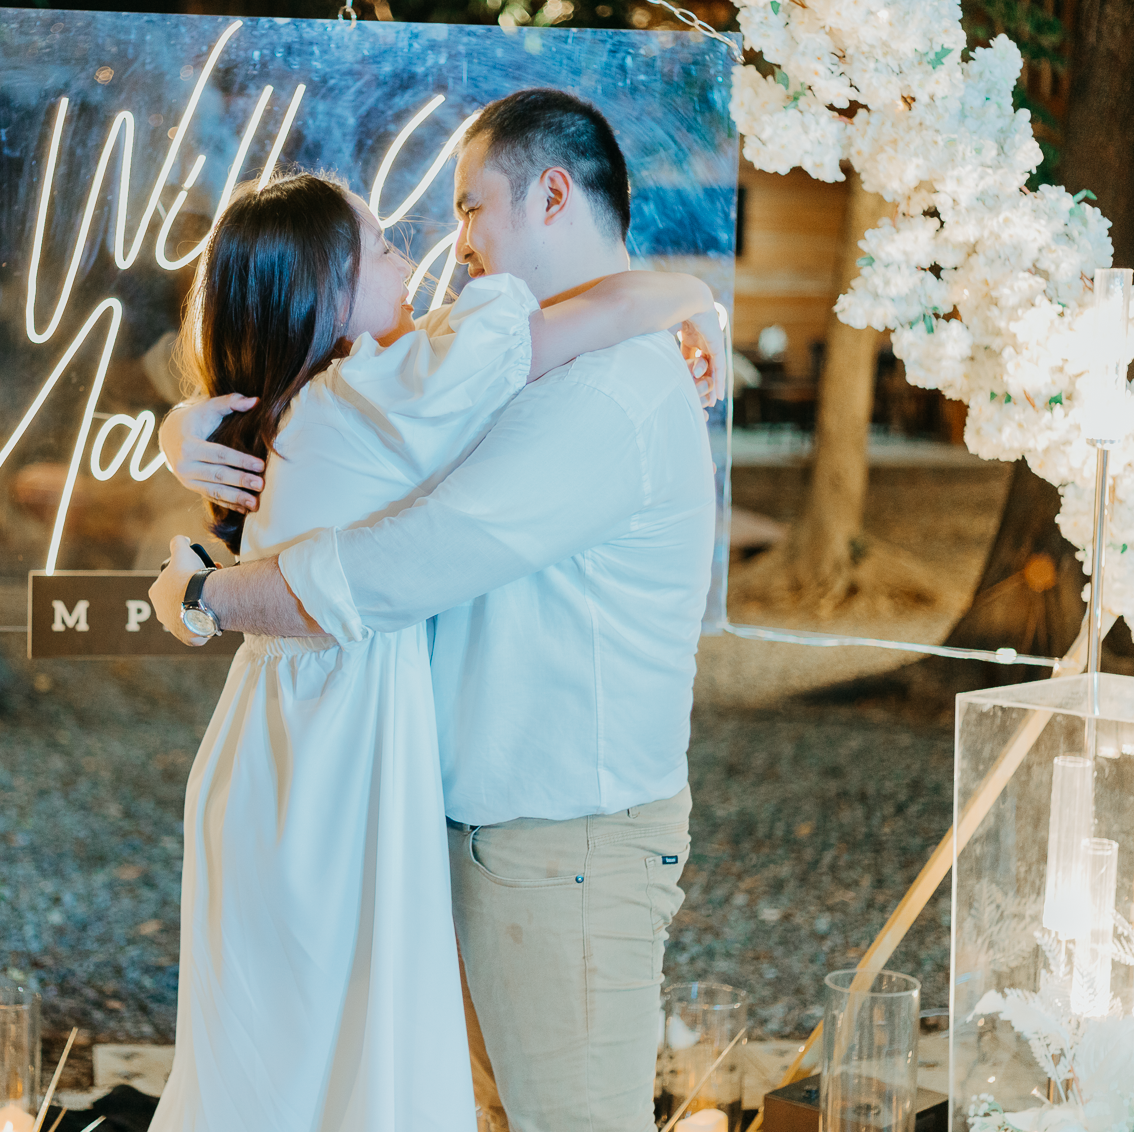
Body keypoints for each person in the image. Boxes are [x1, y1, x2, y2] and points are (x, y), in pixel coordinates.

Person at [153, 88, 718, 1132]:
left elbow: (397, 567)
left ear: (552, 196)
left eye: (470, 209)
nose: (451, 247)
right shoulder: (492, 370)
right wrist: (200, 420)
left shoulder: (605, 394)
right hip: (449, 820)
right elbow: (350, 414)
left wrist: (201, 595)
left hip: (560, 845)